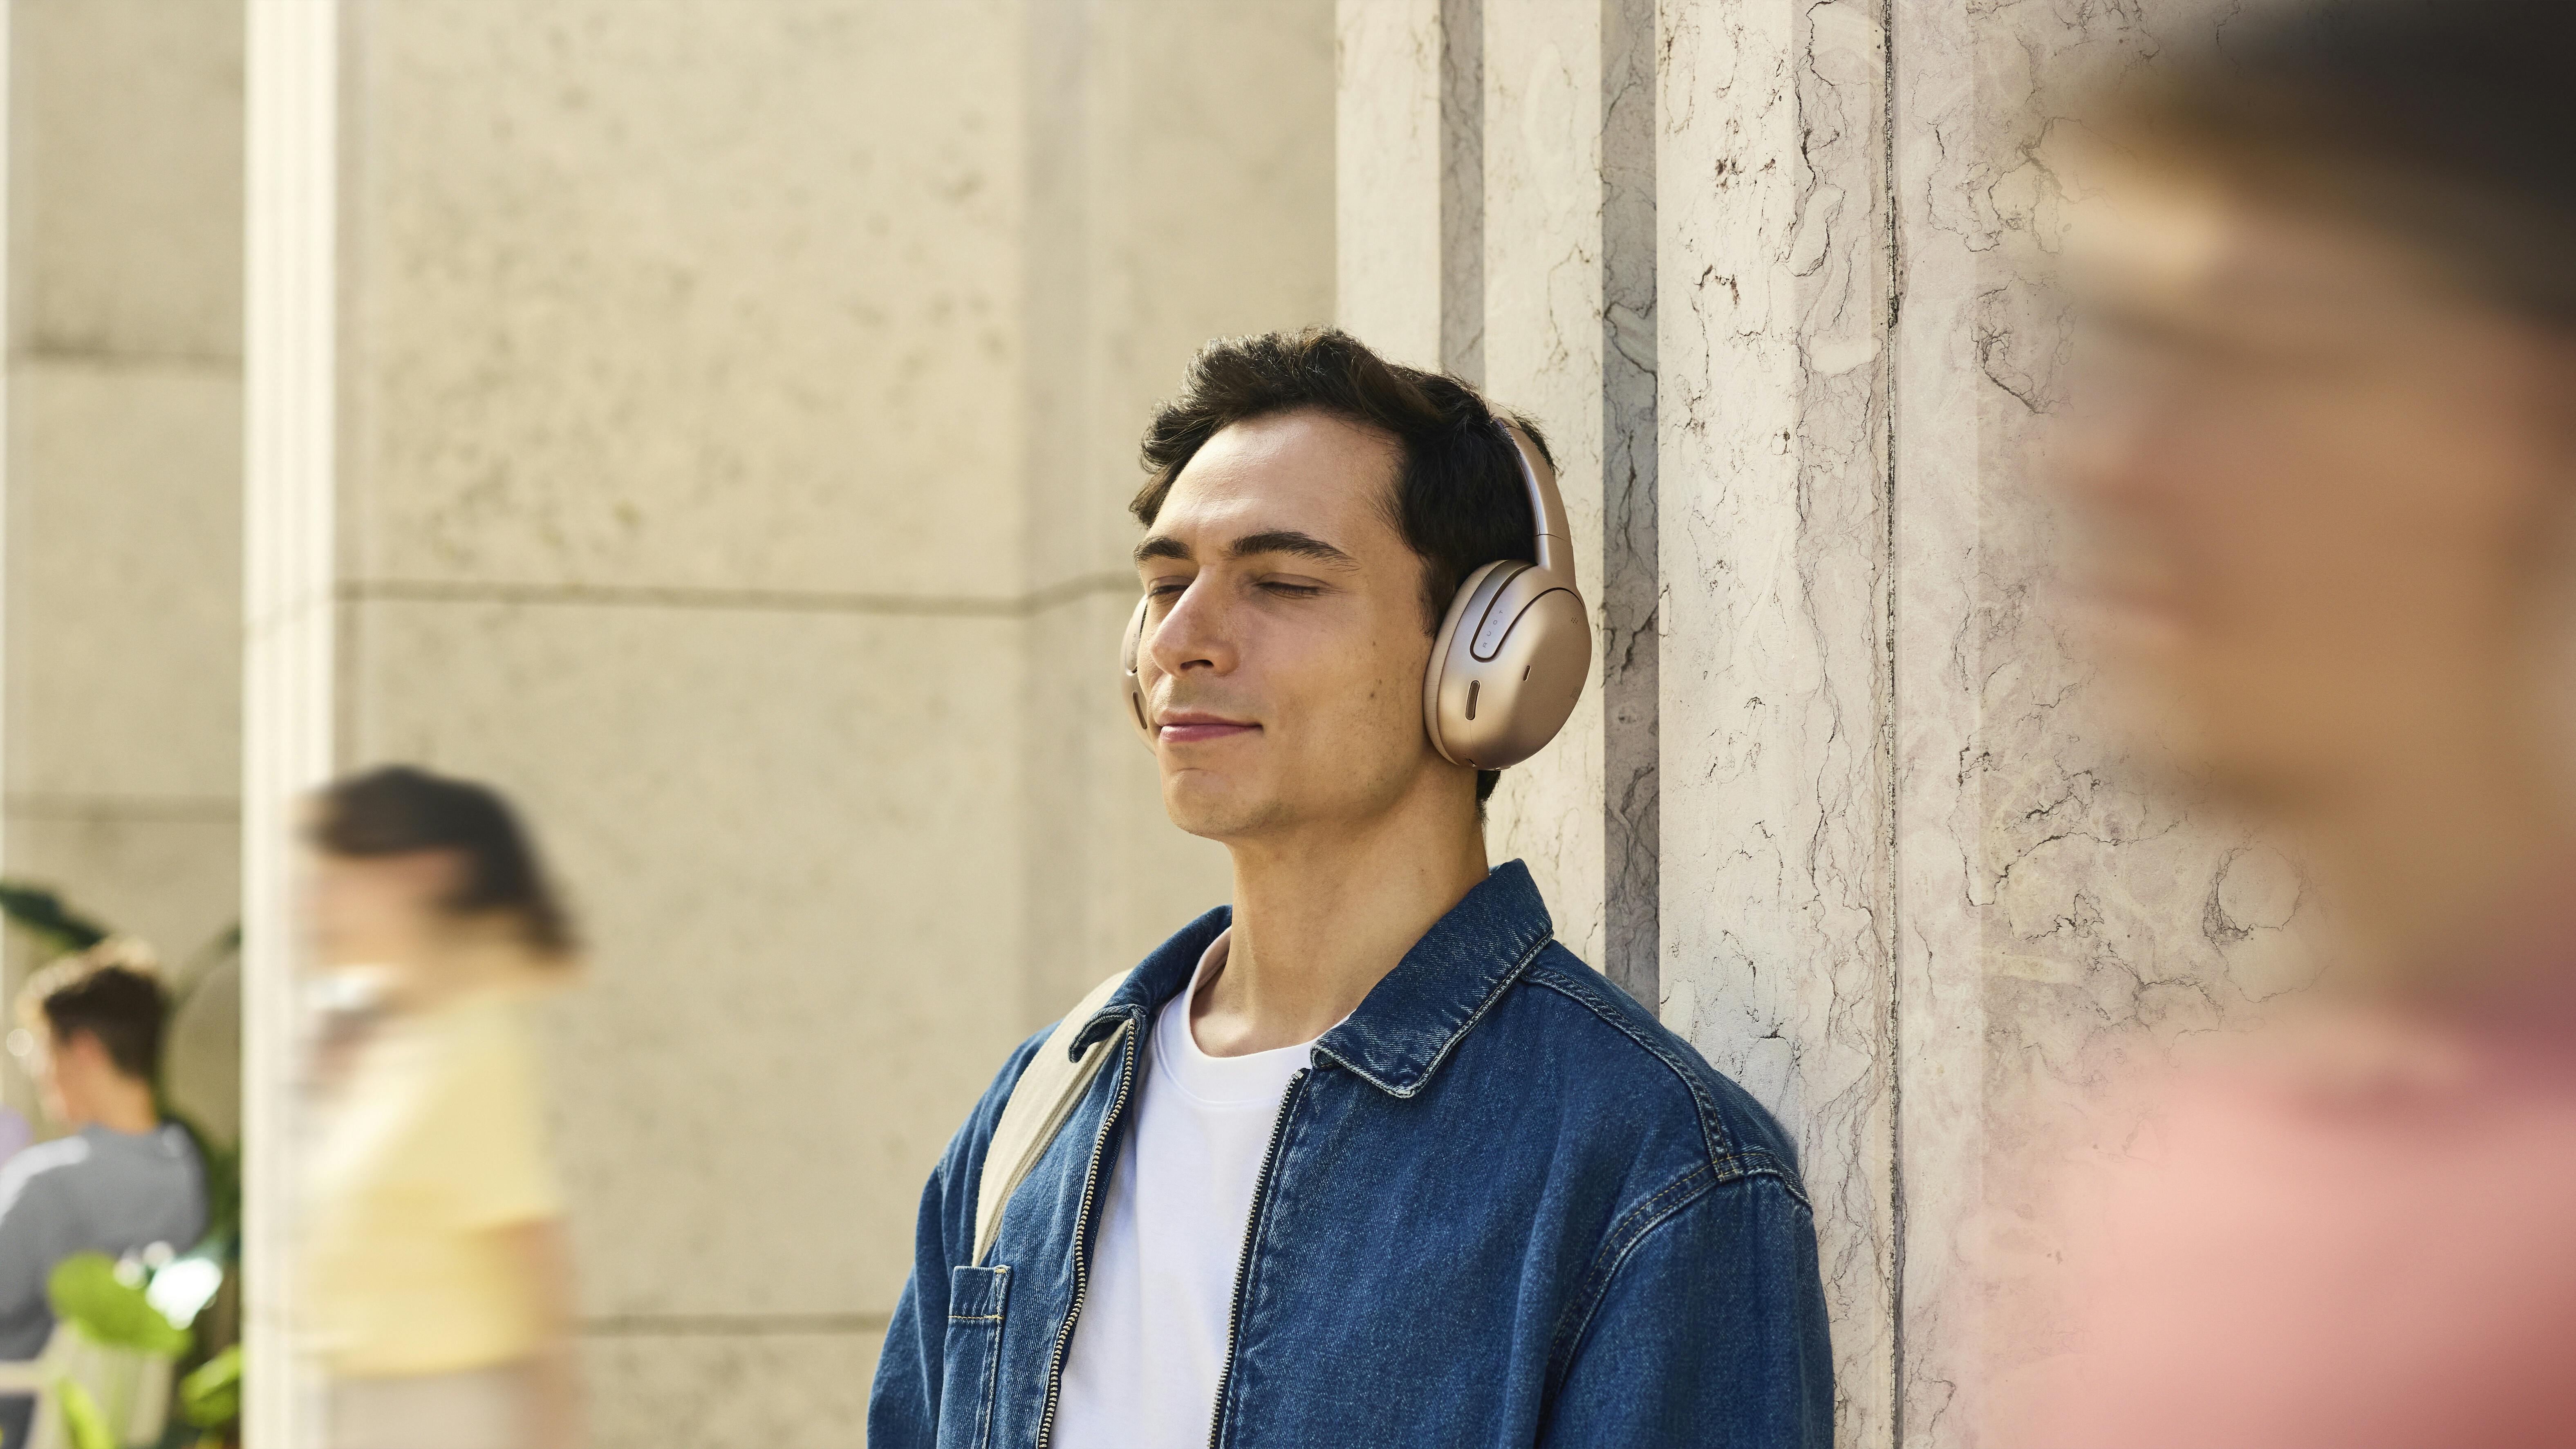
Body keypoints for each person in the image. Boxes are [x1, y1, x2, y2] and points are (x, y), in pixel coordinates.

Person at [871, 329, 1832, 1447]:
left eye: (1279, 582)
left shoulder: (1650, 1167)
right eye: (1166, 584)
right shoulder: (1034, 1116)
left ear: (1486, 654)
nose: (1181, 640)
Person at [1998, 2, 2576, 1444]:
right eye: (2119, 355)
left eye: (2247, 361)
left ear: (2507, 428)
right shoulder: (2177, 1171)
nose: (2108, 461)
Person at [299, 766, 584, 1449]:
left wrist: (554, 1431)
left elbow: (534, 1256)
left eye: (339, 876)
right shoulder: (402, 1040)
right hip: (376, 1408)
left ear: (425, 874)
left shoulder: (476, 1048)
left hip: (440, 1415)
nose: (315, 903)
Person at [0, 941, 207, 1447]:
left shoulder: (48, 1186)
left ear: (84, 1050)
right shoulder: (187, 1173)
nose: (41, 1073)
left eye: (41, 1050)